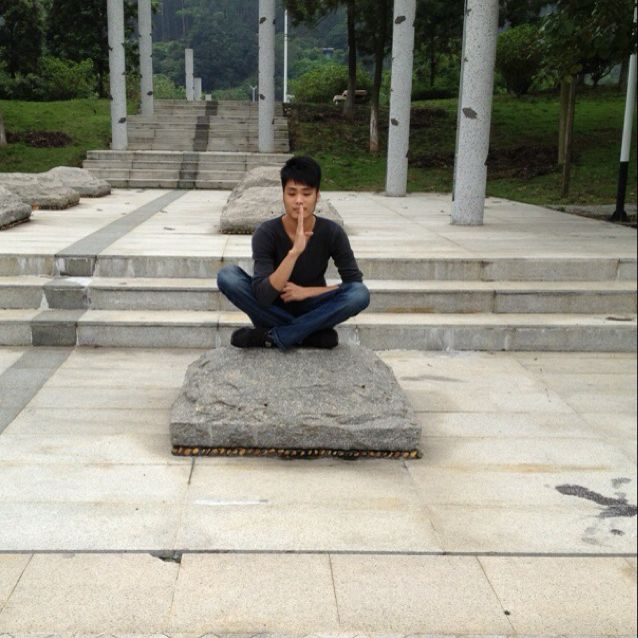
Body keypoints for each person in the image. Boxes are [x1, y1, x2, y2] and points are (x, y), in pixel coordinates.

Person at [217, 155, 370, 351]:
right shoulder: (266, 232)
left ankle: (277, 335)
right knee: (228, 276)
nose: (299, 201)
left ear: (317, 196)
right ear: (283, 195)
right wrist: (294, 252)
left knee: (359, 293)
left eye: (306, 194)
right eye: (292, 193)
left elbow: (353, 283)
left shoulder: (332, 232)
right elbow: (263, 296)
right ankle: (308, 334)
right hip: (272, 306)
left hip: (314, 307)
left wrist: (306, 292)